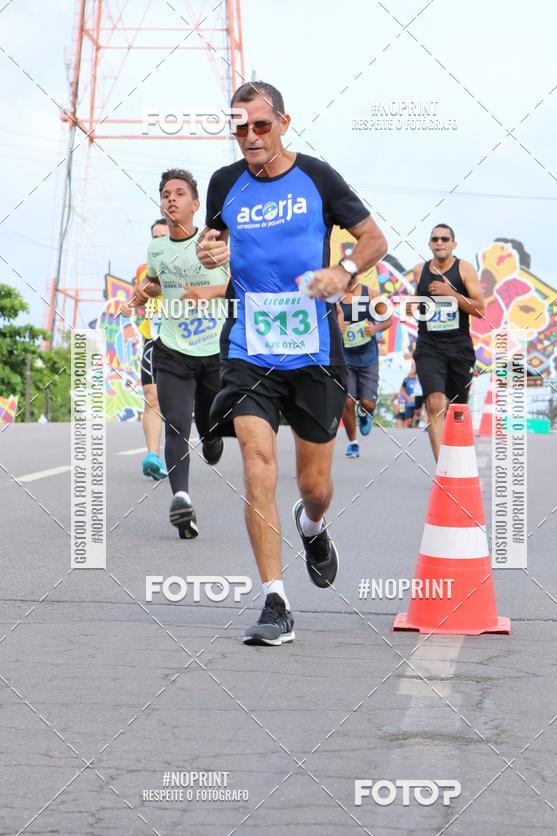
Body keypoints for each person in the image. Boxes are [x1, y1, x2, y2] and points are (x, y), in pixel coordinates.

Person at [197, 81, 387, 646]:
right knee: (258, 464)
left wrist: (343, 272)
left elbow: (374, 238)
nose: (251, 137)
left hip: (314, 352)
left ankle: (313, 525)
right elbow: (212, 245)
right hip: (248, 347)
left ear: (283, 122)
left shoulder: (317, 177)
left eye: (261, 125)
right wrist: (207, 251)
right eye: (240, 128)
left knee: (314, 485)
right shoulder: (224, 183)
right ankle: (275, 601)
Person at [124, 169, 228, 538]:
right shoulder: (156, 247)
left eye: (180, 193)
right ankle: (181, 499)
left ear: (196, 204)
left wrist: (206, 293)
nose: (171, 198)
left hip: (214, 351)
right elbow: (156, 280)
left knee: (210, 425)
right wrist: (142, 293)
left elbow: (240, 283)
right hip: (172, 350)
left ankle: (212, 437)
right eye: (166, 194)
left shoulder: (214, 241)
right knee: (176, 424)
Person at [409, 224, 484, 460]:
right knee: (434, 402)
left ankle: (456, 457)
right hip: (429, 346)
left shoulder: (464, 269)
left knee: (456, 408)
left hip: (459, 347)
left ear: (454, 243)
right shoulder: (419, 270)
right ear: (429, 244)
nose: (439, 242)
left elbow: (480, 309)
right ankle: (442, 469)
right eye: (435, 239)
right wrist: (412, 306)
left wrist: (451, 293)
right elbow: (418, 304)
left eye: (444, 238)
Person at [339, 281, 392, 458]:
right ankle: (353, 443)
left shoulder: (371, 294)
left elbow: (389, 319)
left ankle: (364, 413)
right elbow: (323, 321)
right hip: (345, 358)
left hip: (368, 358)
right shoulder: (335, 296)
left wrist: (376, 328)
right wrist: (337, 327)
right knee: (347, 401)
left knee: (368, 403)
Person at [138, 217, 168, 480]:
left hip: (186, 344)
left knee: (179, 405)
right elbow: (144, 296)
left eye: (163, 237)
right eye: (154, 238)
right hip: (153, 341)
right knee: (152, 398)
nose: (158, 242)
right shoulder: (144, 271)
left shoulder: (190, 266)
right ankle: (153, 457)